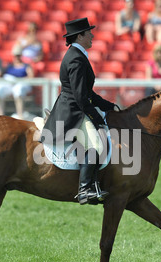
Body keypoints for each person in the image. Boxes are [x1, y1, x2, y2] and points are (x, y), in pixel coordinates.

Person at [41, 18, 119, 205]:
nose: (92, 35)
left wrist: (108, 105)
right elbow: (80, 97)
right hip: (74, 112)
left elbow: (86, 92)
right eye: (89, 33)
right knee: (97, 146)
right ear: (80, 36)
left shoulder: (77, 54)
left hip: (77, 106)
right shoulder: (76, 58)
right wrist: (95, 117)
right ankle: (84, 190)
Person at [0, 45, 34, 119]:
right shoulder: (9, 66)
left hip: (21, 83)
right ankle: (0, 114)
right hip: (8, 84)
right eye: (15, 56)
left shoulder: (26, 66)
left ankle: (20, 114)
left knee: (18, 90)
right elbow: (0, 73)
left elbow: (31, 76)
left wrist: (21, 80)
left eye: (18, 56)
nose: (17, 58)